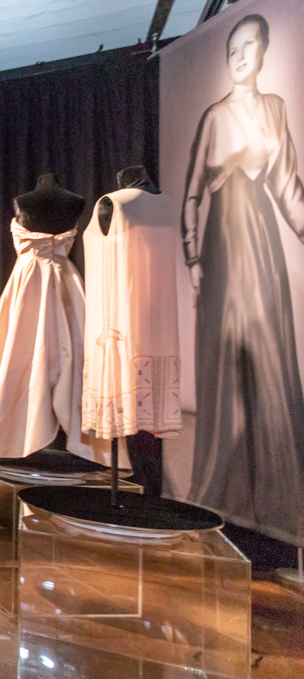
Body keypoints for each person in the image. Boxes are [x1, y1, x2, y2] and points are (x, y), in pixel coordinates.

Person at [182, 13, 304, 542]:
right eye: (232, 47)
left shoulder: (276, 111)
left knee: (272, 366)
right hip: (224, 249)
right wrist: (192, 258)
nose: (238, 55)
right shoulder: (213, 116)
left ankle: (277, 507)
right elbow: (191, 194)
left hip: (264, 247)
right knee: (225, 366)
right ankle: (220, 498)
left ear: (263, 51)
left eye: (247, 46)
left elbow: (290, 186)